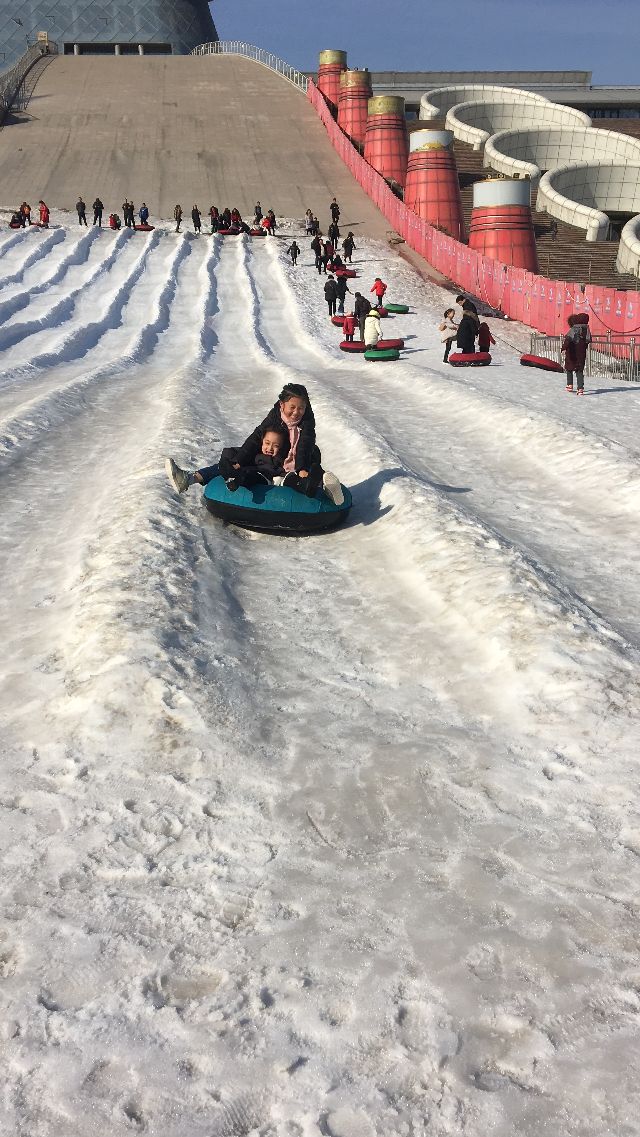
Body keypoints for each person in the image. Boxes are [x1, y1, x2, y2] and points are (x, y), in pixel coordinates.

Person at [165, 383, 344, 505]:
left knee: (310, 469)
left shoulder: (307, 421)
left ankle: (324, 489)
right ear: (282, 405)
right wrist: (240, 460)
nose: (297, 412)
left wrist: (303, 467)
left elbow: (305, 445)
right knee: (232, 460)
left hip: (293, 462)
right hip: (268, 458)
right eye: (293, 407)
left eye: (301, 408)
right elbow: (256, 437)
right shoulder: (275, 415)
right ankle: (188, 479)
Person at [225, 426, 289, 491]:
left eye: (276, 446)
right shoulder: (255, 453)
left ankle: (237, 481)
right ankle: (232, 477)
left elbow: (278, 471)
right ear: (262, 442)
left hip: (263, 478)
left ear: (281, 447)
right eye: (267, 443)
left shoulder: (278, 460)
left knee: (251, 476)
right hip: (249, 471)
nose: (270, 448)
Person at [562, 314, 591, 395]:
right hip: (581, 354)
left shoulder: (574, 329)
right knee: (579, 370)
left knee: (569, 368)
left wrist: (563, 347)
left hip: (572, 352)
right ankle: (580, 389)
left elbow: (568, 339)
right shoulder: (587, 329)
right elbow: (588, 341)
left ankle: (569, 385)